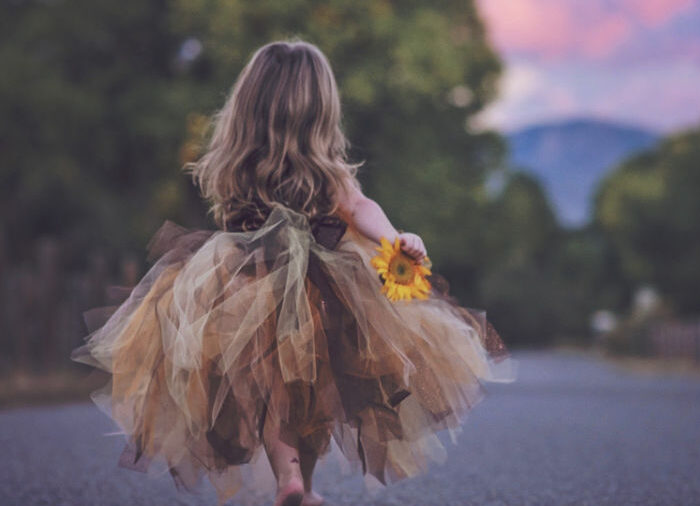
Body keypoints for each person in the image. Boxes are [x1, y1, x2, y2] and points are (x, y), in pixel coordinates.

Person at [70, 39, 514, 506]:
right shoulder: (327, 172)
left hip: (239, 286)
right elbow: (359, 207)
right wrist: (393, 240)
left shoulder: (236, 166)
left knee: (268, 390)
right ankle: (300, 481)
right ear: (320, 111)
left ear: (247, 106)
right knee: (316, 393)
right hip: (322, 290)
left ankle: (292, 479)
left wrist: (390, 241)